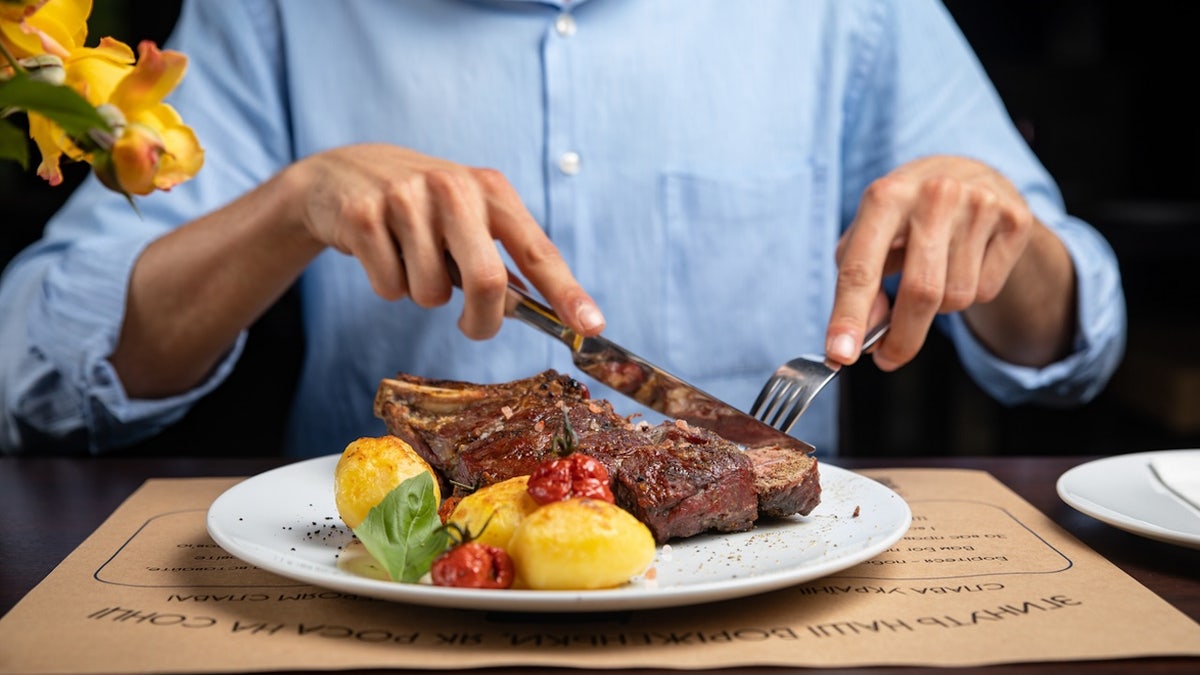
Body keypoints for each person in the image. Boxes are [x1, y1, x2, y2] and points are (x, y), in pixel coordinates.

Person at [0, 0, 1125, 458]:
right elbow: (39, 372)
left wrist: (1002, 235)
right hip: (371, 611)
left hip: (783, 610)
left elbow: (1070, 353)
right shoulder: (275, 11)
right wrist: (291, 206)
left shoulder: (860, 10)